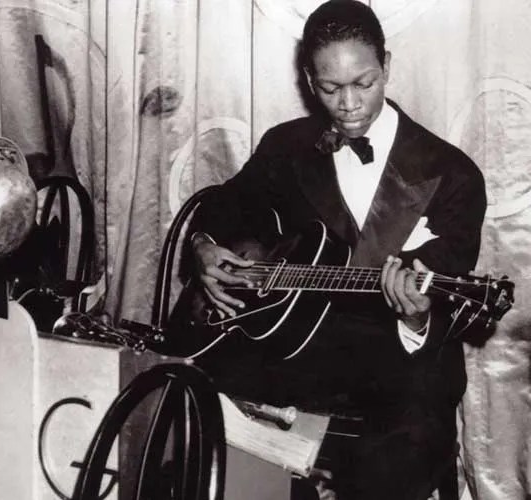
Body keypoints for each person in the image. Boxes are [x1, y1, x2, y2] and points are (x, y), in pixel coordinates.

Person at [179, 1, 487, 498]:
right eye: (329, 88)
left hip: (398, 372)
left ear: (387, 66)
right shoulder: (286, 146)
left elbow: (448, 301)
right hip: (290, 357)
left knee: (401, 445)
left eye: (363, 83)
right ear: (308, 79)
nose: (348, 104)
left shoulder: (453, 174)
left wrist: (415, 317)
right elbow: (227, 206)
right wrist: (203, 247)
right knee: (191, 410)